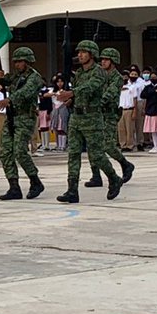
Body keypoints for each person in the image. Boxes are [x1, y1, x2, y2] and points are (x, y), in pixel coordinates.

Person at [56, 40, 120, 204]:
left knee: (97, 155)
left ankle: (113, 178)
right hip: (76, 118)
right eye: (79, 52)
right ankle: (72, 190)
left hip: (92, 118)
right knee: (73, 154)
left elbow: (92, 87)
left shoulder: (98, 72)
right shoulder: (79, 73)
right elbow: (80, 93)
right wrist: (71, 99)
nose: (80, 55)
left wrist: (71, 93)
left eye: (83, 52)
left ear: (92, 54)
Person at [0, 47, 45, 201]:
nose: (17, 64)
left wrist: (9, 100)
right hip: (12, 118)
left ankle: (35, 181)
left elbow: (26, 92)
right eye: (15, 61)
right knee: (5, 151)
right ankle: (13, 186)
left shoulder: (34, 77)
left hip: (25, 118)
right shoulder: (16, 77)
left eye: (20, 61)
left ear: (28, 62)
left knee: (20, 151)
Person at [86, 48, 135, 183]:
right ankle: (96, 176)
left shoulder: (117, 78)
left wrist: (99, 102)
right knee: (92, 145)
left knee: (108, 145)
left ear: (113, 62)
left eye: (106, 60)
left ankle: (125, 164)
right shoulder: (98, 74)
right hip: (97, 114)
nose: (103, 62)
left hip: (109, 114)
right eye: (102, 59)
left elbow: (110, 93)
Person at [140, 73, 157, 153]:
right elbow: (142, 95)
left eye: (155, 77)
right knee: (153, 130)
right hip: (150, 110)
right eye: (151, 77)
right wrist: (153, 91)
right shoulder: (148, 87)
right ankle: (155, 145)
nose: (153, 78)